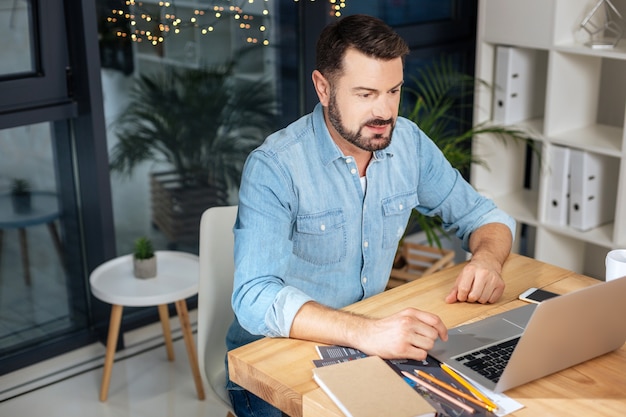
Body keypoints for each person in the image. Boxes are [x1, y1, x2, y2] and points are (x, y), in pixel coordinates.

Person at [226, 14, 515, 417]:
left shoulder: (409, 144)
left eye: (393, 91)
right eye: (365, 94)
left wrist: (486, 259)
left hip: (371, 345)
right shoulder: (275, 166)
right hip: (274, 359)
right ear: (323, 88)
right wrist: (368, 332)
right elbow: (254, 298)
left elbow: (486, 218)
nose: (384, 111)